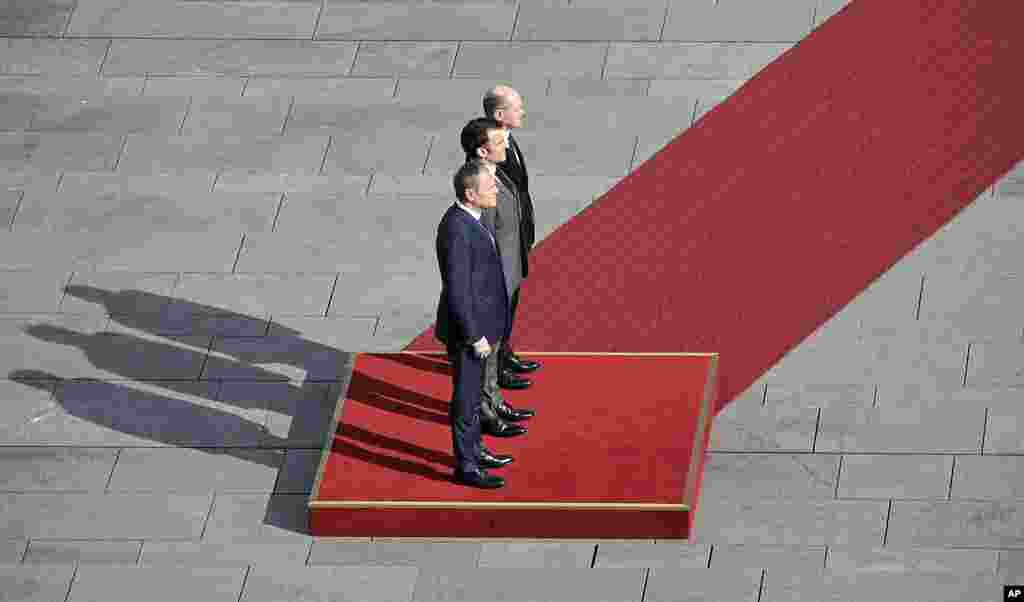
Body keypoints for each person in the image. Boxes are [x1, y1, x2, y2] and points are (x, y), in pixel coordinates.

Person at [434, 160, 515, 488]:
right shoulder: (457, 229)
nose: (495, 189)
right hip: (470, 334)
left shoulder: (471, 220)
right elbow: (458, 289)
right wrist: (474, 335)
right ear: (470, 194)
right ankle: (466, 467)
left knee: (473, 397)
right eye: (489, 187)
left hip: (482, 328)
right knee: (466, 401)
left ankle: (476, 450)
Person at [460, 117, 536, 438]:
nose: (506, 143)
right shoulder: (482, 190)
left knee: (495, 350)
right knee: (486, 354)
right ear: (482, 151)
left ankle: (494, 400)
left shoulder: (497, 172)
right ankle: (487, 412)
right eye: (498, 141)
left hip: (507, 276)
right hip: (492, 288)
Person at [483, 85, 541, 389]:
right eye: (517, 107)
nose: (523, 112)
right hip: (503, 245)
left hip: (518, 237)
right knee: (500, 305)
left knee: (512, 302)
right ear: (499, 114)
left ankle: (505, 352)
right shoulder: (490, 151)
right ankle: (495, 368)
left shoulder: (509, 140)